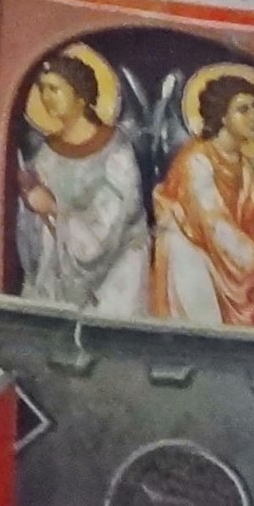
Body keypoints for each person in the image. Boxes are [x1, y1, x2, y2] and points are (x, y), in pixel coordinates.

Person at [150, 67, 254, 329]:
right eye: (244, 109)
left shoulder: (244, 168)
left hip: (228, 264)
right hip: (191, 260)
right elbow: (213, 224)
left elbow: (253, 224)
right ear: (222, 115)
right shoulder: (196, 161)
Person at [15, 45, 151, 315]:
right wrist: (31, 199)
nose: (46, 97)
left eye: (55, 89)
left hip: (116, 269)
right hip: (58, 268)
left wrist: (54, 209)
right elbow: (33, 224)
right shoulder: (45, 153)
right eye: (42, 89)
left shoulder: (116, 148)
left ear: (80, 96)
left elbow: (114, 221)